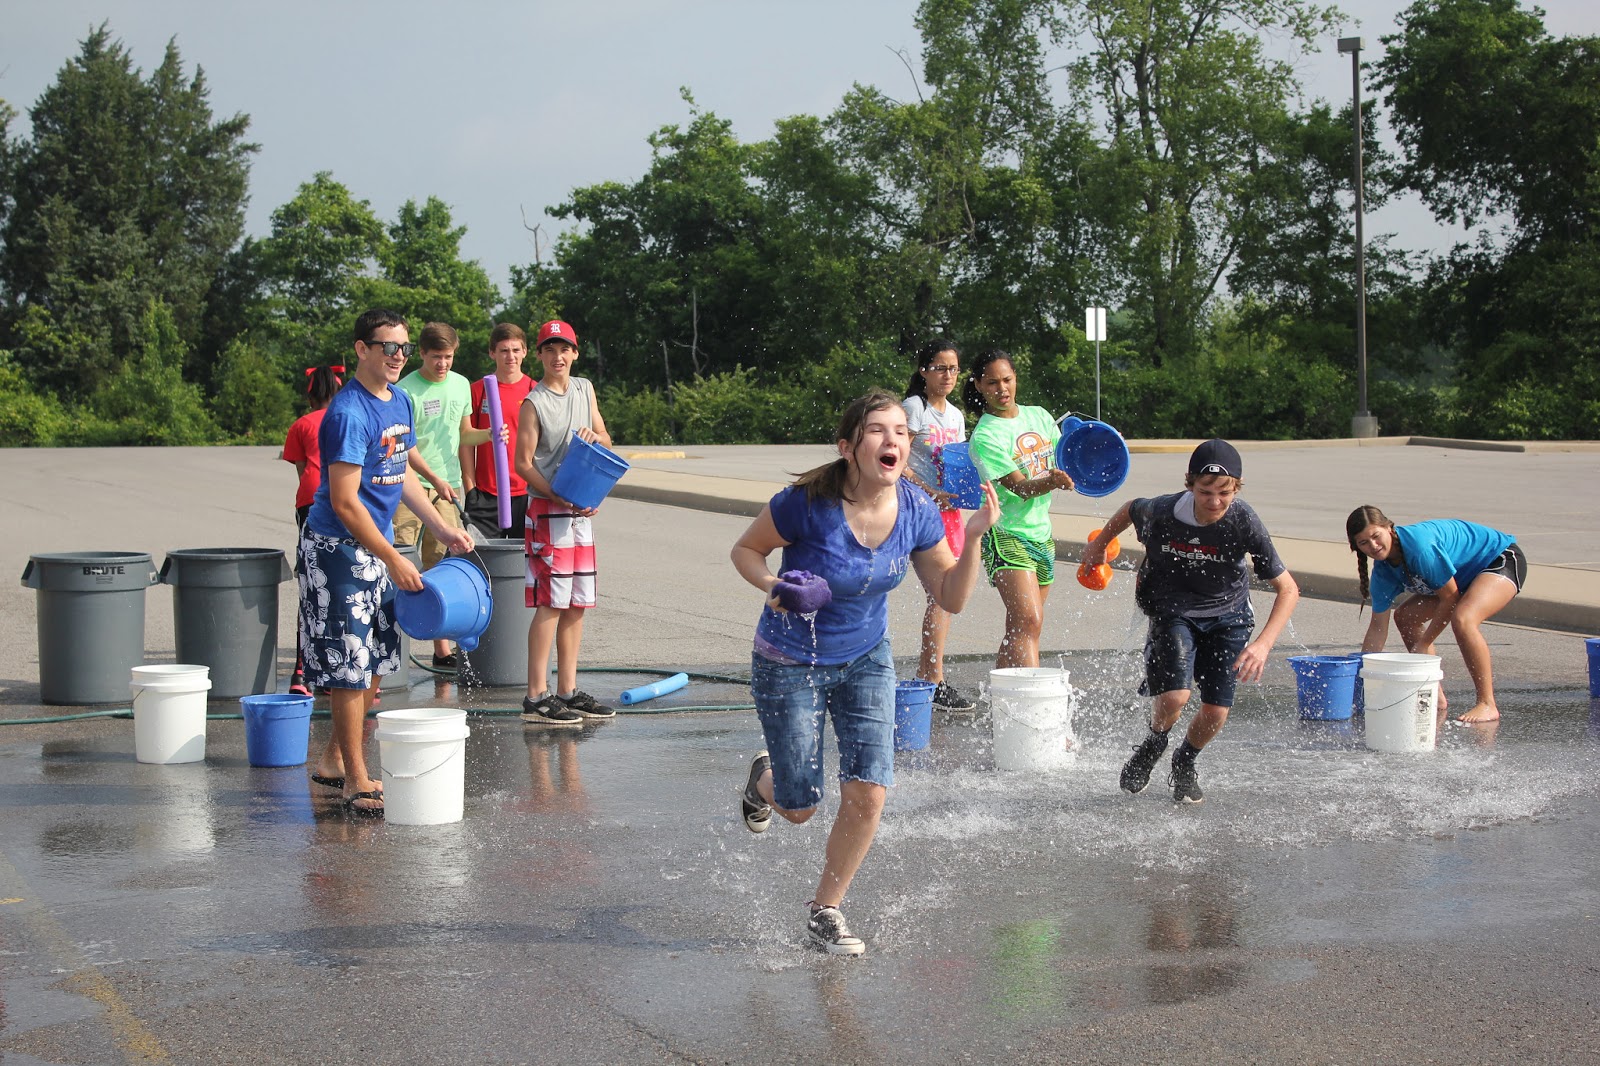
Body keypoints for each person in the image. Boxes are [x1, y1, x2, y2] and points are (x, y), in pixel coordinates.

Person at [731, 390, 1000, 955]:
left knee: (870, 789)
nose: (893, 441)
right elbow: (746, 551)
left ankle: (826, 909)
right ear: (849, 446)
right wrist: (776, 588)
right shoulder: (806, 502)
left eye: (902, 432)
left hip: (866, 659)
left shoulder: (918, 511)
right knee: (800, 808)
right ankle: (764, 783)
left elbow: (949, 597)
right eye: (878, 431)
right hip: (790, 662)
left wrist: (972, 537)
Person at [300, 309, 475, 817]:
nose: (398, 356)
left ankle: (334, 758)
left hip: (373, 546)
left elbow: (398, 474)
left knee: (375, 660)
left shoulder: (397, 400)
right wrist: (392, 558)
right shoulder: (348, 413)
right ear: (361, 349)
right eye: (387, 347)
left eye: (402, 347)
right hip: (338, 550)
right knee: (350, 668)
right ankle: (356, 777)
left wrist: (441, 527)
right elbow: (346, 501)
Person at [1084, 439, 1299, 804]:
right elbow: (1130, 508)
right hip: (1172, 608)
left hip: (1228, 615)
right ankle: (1153, 743)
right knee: (1176, 696)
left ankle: (1185, 760)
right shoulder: (1163, 511)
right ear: (1189, 484)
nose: (1214, 502)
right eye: (1205, 492)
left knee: (1216, 709)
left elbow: (1288, 590)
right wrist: (1100, 543)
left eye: (1223, 493)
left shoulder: (1243, 521)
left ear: (1237, 488)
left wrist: (1262, 645)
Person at [513, 319, 617, 727]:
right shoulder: (533, 403)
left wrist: (597, 438)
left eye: (565, 349)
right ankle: (535, 695)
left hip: (581, 510)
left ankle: (567, 691)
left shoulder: (584, 389)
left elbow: (606, 437)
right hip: (549, 511)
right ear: (539, 355)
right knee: (551, 603)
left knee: (577, 604)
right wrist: (557, 495)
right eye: (550, 349)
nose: (558, 356)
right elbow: (523, 464)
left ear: (575, 353)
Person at [1346, 506, 1525, 724]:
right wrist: (1363, 679)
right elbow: (1377, 629)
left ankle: (1487, 703)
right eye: (1364, 543)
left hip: (1498, 559)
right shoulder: (1383, 573)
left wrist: (1425, 642)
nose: (1373, 546)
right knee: (1405, 617)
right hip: (1460, 578)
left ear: (1389, 528)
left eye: (1376, 536)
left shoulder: (1419, 548)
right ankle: (1434, 696)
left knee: (1463, 618)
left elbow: (1450, 599)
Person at [963, 350, 1076, 669]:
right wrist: (1053, 482)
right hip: (1006, 534)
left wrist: (1084, 459)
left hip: (1042, 534)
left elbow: (1066, 457)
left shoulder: (1039, 415)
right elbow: (1021, 487)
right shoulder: (985, 437)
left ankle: (1004, 705)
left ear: (1016, 378)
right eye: (992, 382)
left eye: (1007, 379)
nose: (1002, 388)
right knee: (1028, 622)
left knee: (1026, 628)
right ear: (980, 386)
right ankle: (1031, 705)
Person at [394, 322, 498, 667]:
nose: (443, 364)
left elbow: (464, 434)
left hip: (447, 485)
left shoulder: (460, 385)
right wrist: (432, 476)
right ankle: (391, 641)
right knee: (401, 557)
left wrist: (490, 436)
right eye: (436, 357)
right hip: (410, 484)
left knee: (442, 562)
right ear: (421, 354)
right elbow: (405, 447)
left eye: (448, 357)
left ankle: (442, 649)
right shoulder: (406, 390)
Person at [900, 338, 977, 712]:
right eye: (940, 368)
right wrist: (929, 489)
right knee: (943, 594)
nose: (947, 375)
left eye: (953, 369)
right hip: (919, 507)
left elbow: (959, 464)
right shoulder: (914, 408)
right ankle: (932, 678)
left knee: (945, 597)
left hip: (948, 511)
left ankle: (929, 673)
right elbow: (896, 458)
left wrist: (966, 491)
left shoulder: (957, 416)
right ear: (923, 371)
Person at [281, 363, 343, 696]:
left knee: (310, 585)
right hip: (347, 502)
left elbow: (303, 470)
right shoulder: (347, 418)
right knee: (341, 586)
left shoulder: (301, 425)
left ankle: (302, 672)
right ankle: (340, 671)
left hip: (310, 505)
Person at [462, 323, 536, 539]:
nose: (510, 356)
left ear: (524, 352)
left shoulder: (535, 390)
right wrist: (470, 488)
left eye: (515, 350)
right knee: (480, 560)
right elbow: (466, 441)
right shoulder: (477, 390)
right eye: (503, 350)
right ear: (492, 353)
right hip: (486, 495)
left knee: (523, 565)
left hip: (525, 494)